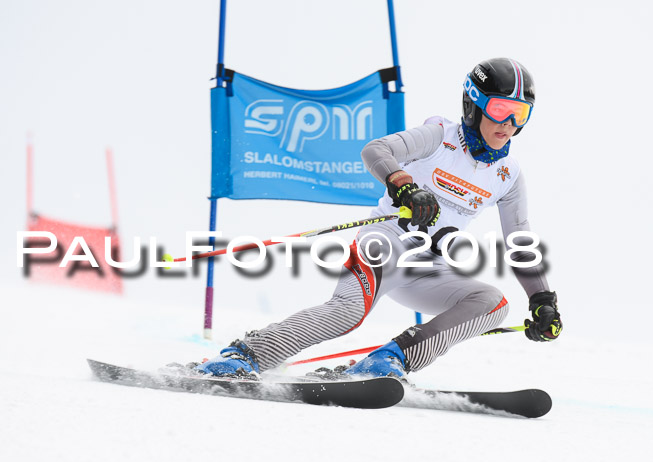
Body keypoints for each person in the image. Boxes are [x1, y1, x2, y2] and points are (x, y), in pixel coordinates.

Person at [197, 57, 563, 379]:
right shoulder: (440, 137)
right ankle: (245, 355)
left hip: (428, 269)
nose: (509, 124)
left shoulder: (508, 175)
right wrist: (403, 185)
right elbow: (376, 149)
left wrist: (542, 300)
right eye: (501, 110)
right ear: (474, 104)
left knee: (492, 303)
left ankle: (389, 360)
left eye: (521, 114)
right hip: (384, 246)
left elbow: (519, 239)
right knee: (348, 312)